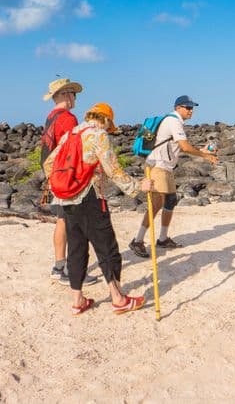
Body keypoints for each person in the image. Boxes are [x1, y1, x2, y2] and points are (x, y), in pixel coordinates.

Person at [44, 103, 154, 315]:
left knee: (76, 249)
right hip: (91, 198)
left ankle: (77, 301)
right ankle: (118, 298)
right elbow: (113, 169)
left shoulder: (70, 135)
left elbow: (49, 164)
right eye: (109, 124)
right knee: (107, 248)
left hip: (67, 199)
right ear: (105, 120)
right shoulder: (98, 135)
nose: (108, 129)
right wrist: (138, 186)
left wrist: (64, 185)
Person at [129, 95, 218, 258]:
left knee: (170, 201)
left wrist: (202, 151)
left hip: (166, 167)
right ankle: (137, 240)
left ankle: (162, 239)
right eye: (187, 107)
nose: (191, 111)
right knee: (156, 203)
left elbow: (179, 146)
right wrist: (205, 156)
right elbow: (184, 147)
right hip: (157, 166)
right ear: (178, 108)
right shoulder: (173, 121)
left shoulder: (176, 122)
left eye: (192, 108)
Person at [41, 78, 98, 287]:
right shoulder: (67, 118)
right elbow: (74, 150)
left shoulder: (51, 117)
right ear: (66, 94)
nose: (75, 98)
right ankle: (72, 271)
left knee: (62, 220)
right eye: (73, 94)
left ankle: (59, 266)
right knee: (73, 223)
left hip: (54, 175)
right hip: (66, 177)